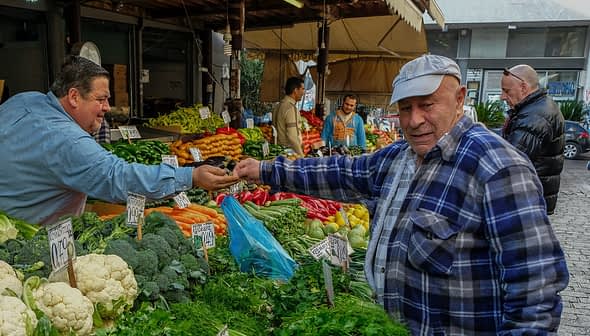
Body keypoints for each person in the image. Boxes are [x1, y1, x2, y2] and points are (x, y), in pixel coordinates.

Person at [234, 54, 569, 334]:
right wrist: (264, 170)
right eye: (405, 108)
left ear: (460, 99)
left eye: (427, 105)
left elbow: (535, 292)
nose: (414, 120)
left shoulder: (498, 169)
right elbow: (341, 172)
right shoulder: (399, 157)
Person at [0, 56, 238, 225]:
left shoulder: (24, 100)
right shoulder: (66, 140)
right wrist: (191, 176)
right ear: (73, 96)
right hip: (27, 240)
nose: (107, 108)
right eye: (101, 99)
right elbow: (118, 176)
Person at [501, 65, 565, 215]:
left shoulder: (534, 116)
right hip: (531, 199)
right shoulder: (538, 108)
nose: (502, 96)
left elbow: (510, 163)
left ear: (523, 87)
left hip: (525, 202)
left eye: (506, 91)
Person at [272, 76, 305, 156]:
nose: (303, 92)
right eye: (302, 89)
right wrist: (301, 155)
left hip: (278, 150)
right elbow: (292, 136)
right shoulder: (290, 108)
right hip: (288, 152)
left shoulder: (278, 106)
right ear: (295, 91)